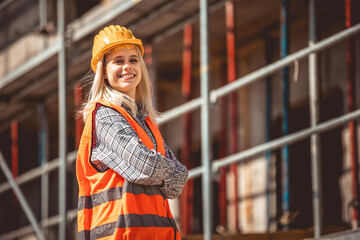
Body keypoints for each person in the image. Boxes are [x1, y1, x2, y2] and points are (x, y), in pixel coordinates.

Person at [76, 25, 189, 240]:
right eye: (118, 61)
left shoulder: (145, 120)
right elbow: (145, 166)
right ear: (104, 72)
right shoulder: (104, 115)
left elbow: (179, 182)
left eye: (133, 60)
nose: (127, 66)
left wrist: (164, 171)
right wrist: (168, 170)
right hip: (118, 234)